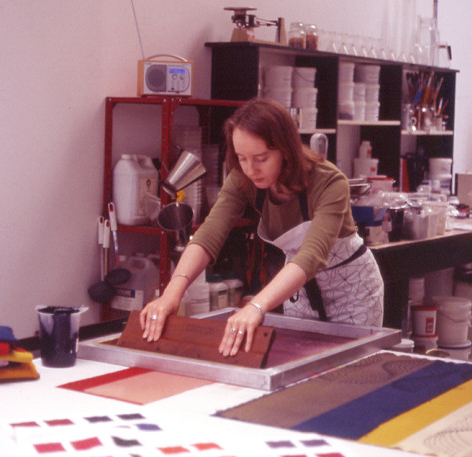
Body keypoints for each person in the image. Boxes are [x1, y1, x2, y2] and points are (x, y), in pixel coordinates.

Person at [140, 97, 384, 357]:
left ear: (286, 150)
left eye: (261, 158)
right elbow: (209, 235)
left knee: (351, 373)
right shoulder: (242, 180)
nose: (251, 169)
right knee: (304, 372)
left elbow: (312, 255)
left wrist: (256, 307)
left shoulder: (329, 182)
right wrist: (172, 293)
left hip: (354, 290)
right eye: (242, 158)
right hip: (298, 290)